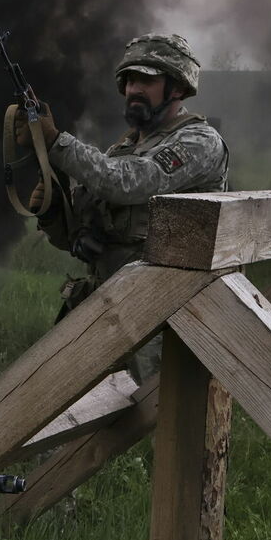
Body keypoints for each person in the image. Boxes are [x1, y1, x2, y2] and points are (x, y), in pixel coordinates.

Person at [18, 33, 229, 382]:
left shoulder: (199, 141)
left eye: (146, 79)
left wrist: (57, 141)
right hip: (105, 308)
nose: (133, 89)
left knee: (154, 421)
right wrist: (54, 211)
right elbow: (82, 236)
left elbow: (128, 182)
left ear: (176, 87)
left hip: (160, 318)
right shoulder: (124, 148)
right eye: (129, 80)